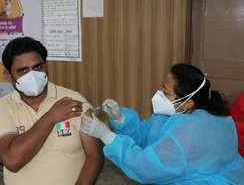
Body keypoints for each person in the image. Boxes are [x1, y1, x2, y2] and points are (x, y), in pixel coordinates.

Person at [81, 63, 244, 184]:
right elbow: (146, 138)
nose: (159, 95)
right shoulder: (177, 112)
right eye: (162, 88)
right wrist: (120, 119)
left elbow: (145, 166)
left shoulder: (192, 132)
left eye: (166, 92)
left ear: (188, 103)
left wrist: (106, 135)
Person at [0, 36, 104, 185]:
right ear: (7, 75)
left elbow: (95, 156)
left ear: (45, 65)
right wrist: (50, 117)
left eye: (37, 67)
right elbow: (12, 160)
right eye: (22, 70)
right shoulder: (2, 107)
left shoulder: (74, 101)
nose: (32, 75)